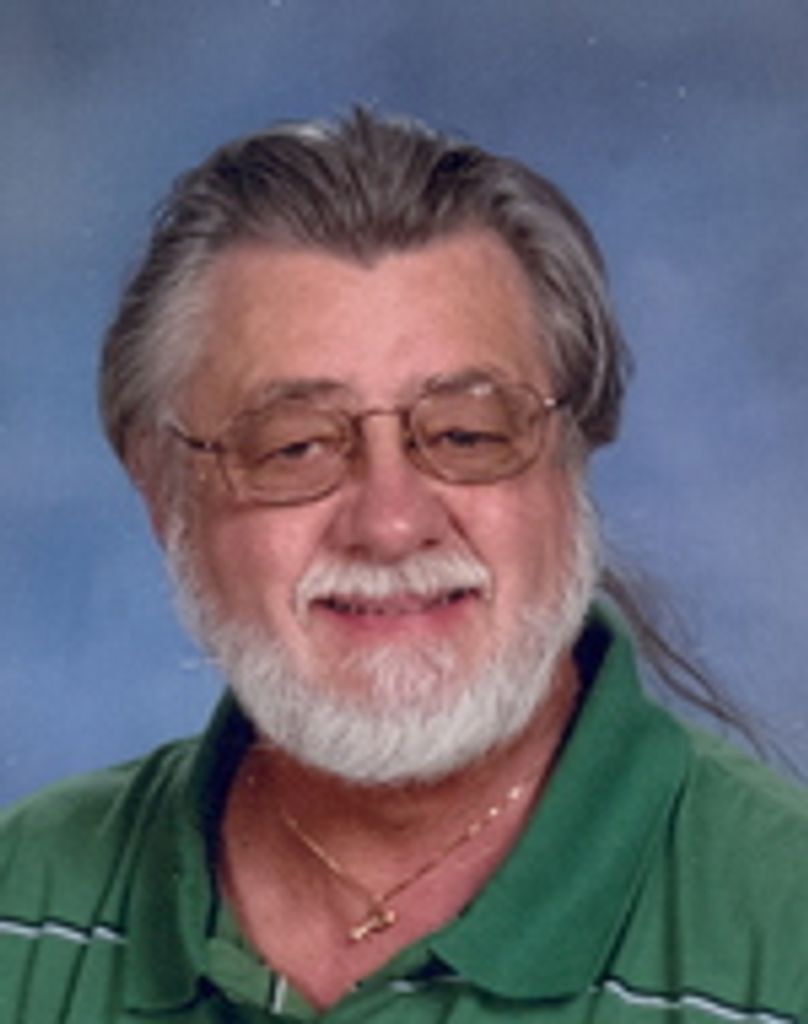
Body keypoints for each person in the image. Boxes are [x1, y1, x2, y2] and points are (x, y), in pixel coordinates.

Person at [1, 108, 806, 1023]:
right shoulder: (20, 897)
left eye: (467, 434)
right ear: (161, 489)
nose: (390, 523)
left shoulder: (788, 938)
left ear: (572, 459)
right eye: (295, 446)